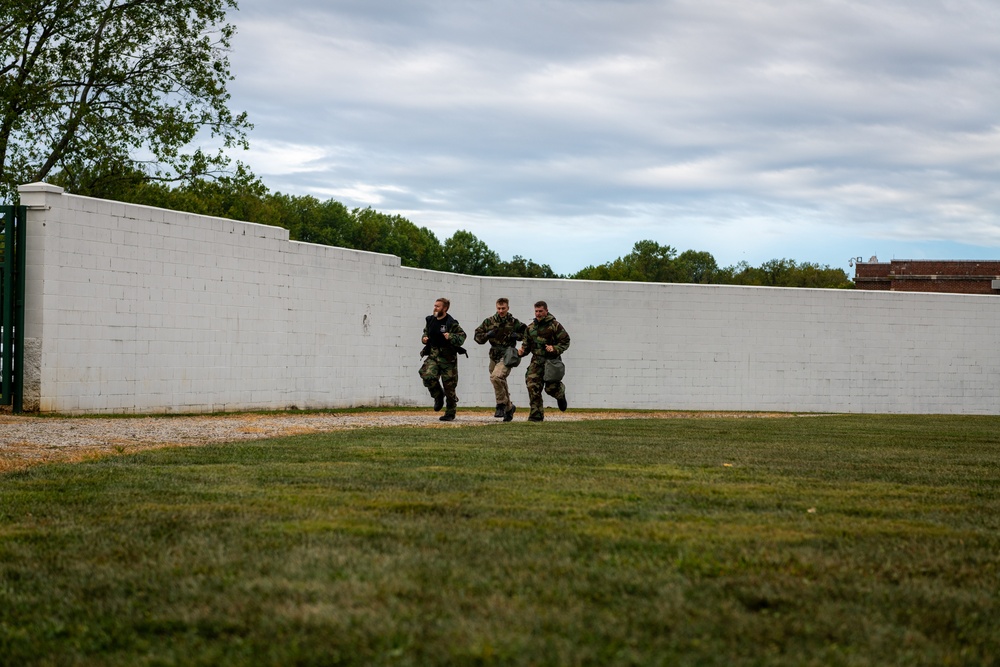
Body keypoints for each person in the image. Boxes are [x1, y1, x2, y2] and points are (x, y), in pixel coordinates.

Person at [474, 297, 527, 422]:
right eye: (499, 308)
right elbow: (477, 336)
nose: (501, 311)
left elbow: (528, 333)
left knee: (496, 377)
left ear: (508, 308)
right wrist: (487, 335)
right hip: (494, 355)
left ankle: (501, 405)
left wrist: (518, 336)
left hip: (507, 355)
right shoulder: (489, 321)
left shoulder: (514, 322)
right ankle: (509, 408)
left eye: (503, 308)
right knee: (500, 380)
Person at [519, 301, 571, 422]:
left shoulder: (555, 325)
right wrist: (521, 352)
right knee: (532, 386)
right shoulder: (530, 328)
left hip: (551, 361)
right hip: (536, 362)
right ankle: (536, 415)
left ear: (546, 311)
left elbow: (566, 341)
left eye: (541, 311)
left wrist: (555, 348)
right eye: (536, 311)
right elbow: (526, 346)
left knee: (550, 388)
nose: (538, 314)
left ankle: (560, 394)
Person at [419, 297, 467, 421]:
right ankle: (438, 396)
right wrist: (424, 338)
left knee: (449, 387)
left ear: (445, 308)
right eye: (434, 305)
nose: (435, 308)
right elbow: (426, 332)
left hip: (448, 359)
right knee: (427, 375)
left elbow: (462, 337)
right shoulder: (430, 320)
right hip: (434, 356)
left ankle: (450, 412)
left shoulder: (451, 323)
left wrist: (450, 336)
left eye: (438, 306)